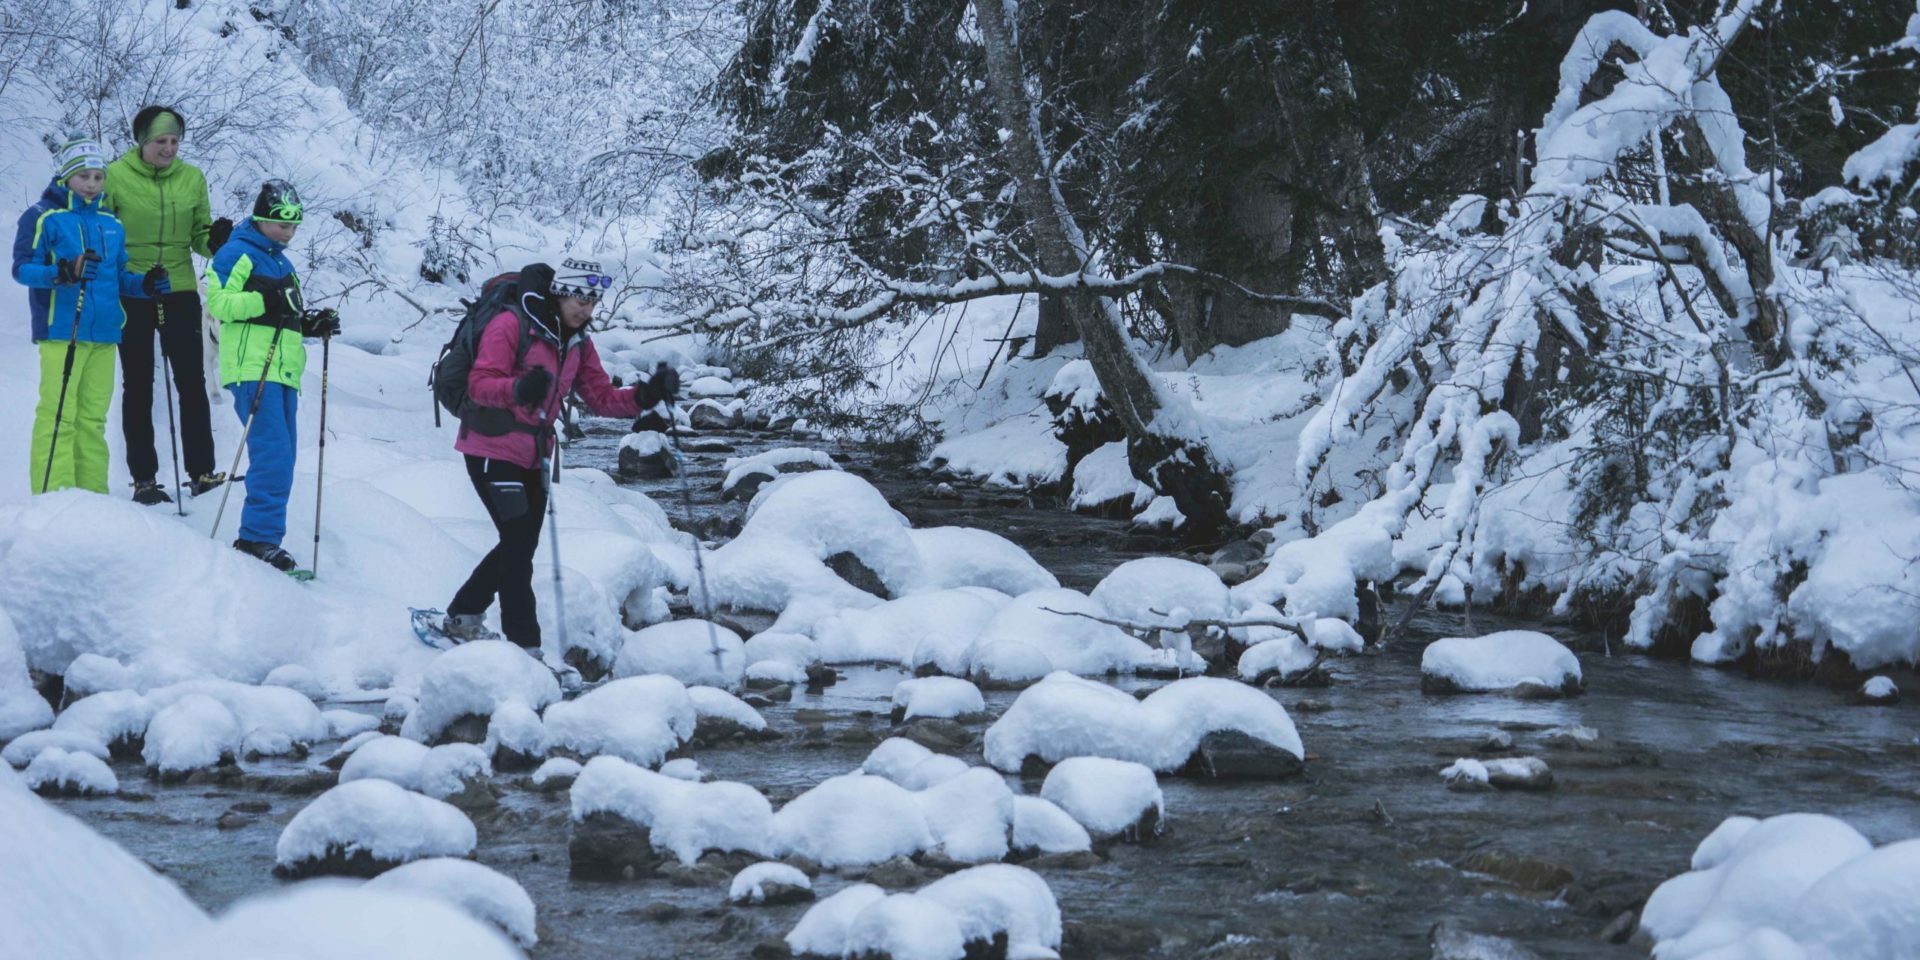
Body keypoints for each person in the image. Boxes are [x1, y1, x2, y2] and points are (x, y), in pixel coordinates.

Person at [441, 258, 678, 649]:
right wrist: (517, 389)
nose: (584, 307)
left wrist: (647, 395)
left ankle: (463, 615)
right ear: (559, 293)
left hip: (535, 454)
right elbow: (480, 384)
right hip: (489, 445)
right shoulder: (511, 325)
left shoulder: (577, 342)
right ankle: (525, 647)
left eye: (592, 300)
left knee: (519, 545)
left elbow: (601, 398)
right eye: (577, 297)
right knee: (518, 550)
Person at [203, 179, 339, 571]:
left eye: (294, 225)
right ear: (262, 217)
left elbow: (285, 312)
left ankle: (264, 536)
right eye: (281, 223)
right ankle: (256, 539)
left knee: (284, 455)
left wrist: (312, 323)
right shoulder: (236, 252)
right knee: (273, 454)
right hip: (251, 367)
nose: (288, 232)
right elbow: (221, 304)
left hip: (282, 369)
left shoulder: (282, 261)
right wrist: (268, 299)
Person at [13, 137, 158, 495]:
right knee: (59, 415)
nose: (92, 183)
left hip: (105, 332)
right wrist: (62, 272)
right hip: (62, 329)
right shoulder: (42, 217)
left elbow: (118, 277)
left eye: (98, 176)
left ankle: (93, 498)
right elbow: (21, 269)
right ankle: (52, 497)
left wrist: (146, 285)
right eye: (84, 176)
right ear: (66, 176)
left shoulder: (111, 223)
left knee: (93, 419)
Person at [102, 105, 227, 505]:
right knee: (138, 382)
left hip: (179, 289)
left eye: (175, 141)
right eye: (161, 141)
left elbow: (199, 237)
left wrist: (216, 241)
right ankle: (143, 478)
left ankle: (202, 472)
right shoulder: (114, 176)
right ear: (142, 141)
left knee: (190, 380)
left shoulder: (192, 178)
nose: (170, 149)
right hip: (134, 288)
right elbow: (103, 233)